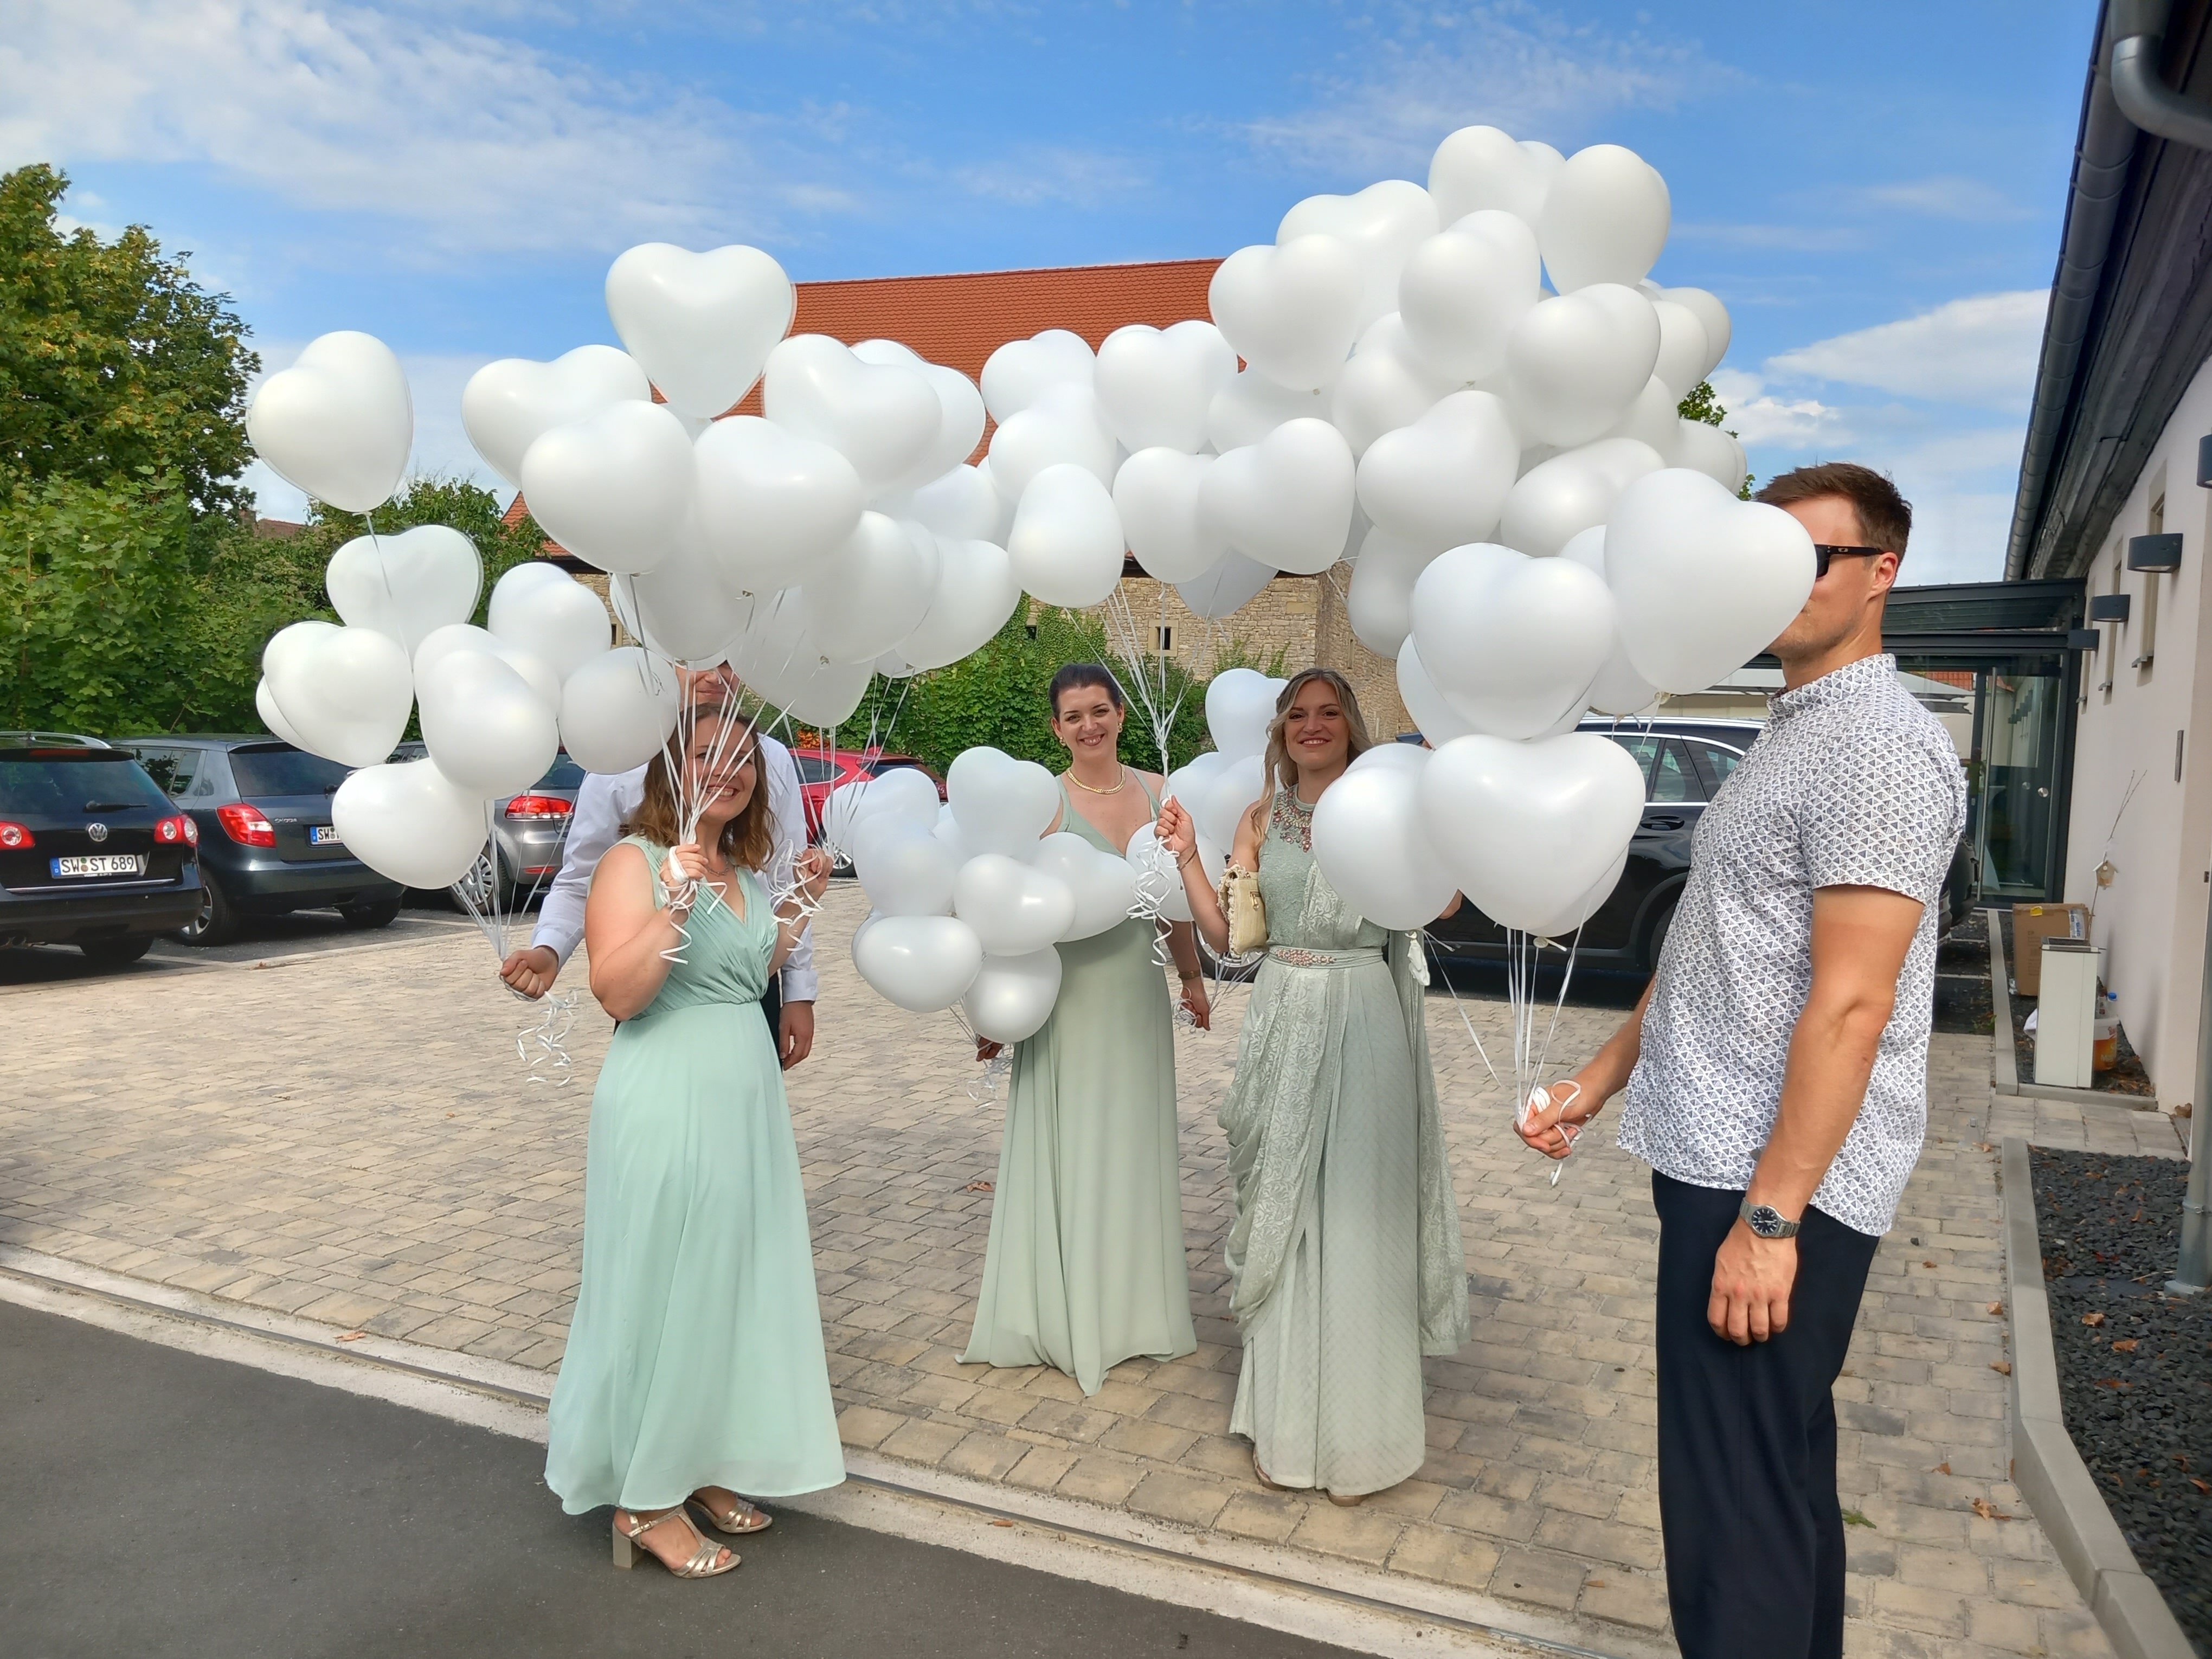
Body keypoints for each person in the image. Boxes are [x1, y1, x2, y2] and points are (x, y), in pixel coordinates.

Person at [1517, 463, 1966, 1659]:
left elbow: (1854, 1001)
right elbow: (1720, 948)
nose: (1783, 582)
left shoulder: (1875, 744)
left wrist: (1771, 1221)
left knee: (1734, 1516)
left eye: (1814, 557)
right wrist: (1602, 1076)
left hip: (1773, 1185)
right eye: (1767, 555)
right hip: (1720, 1156)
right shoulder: (1791, 732)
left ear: (1881, 573)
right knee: (1773, 1483)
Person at [544, 700, 843, 1578]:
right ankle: (643, 1499)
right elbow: (617, 993)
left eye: (745, 759)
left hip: (744, 1105)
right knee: (666, 1291)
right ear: (672, 767)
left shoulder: (740, 873)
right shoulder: (634, 863)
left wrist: (799, 903)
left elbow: (748, 965)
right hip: (666, 1099)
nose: (731, 769)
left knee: (727, 1287)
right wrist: (671, 906)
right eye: (709, 754)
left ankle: (701, 1462)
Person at [1158, 667, 1469, 1503]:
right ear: (1280, 730)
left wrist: (1451, 816)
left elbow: (1440, 906)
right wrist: (1191, 857)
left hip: (1366, 1011)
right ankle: (1288, 1427)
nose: (1314, 725)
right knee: (1290, 1219)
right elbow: (1234, 939)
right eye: (1299, 714)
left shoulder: (1392, 803)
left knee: (1360, 1214)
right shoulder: (1259, 819)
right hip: (1284, 1010)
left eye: (1330, 712)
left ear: (1352, 723)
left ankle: (1365, 1438)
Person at [961, 665, 1208, 1394]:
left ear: (1122, 713)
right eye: (1073, 716)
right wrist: (994, 1013)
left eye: (1099, 710)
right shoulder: (1044, 802)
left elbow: (1175, 901)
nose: (1088, 725)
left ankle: (1133, 1314)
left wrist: (1190, 977)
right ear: (1056, 728)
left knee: (1131, 1144)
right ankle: (1064, 1314)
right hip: (1062, 999)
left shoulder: (1162, 793)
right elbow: (1004, 908)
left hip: (1134, 991)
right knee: (1069, 1144)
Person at [499, 667, 818, 1072]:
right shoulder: (621, 760)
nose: (716, 676)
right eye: (697, 658)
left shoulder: (770, 757)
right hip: (656, 984)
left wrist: (798, 992)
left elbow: (784, 879)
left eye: (728, 662)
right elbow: (583, 880)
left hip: (752, 981)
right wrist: (550, 949)